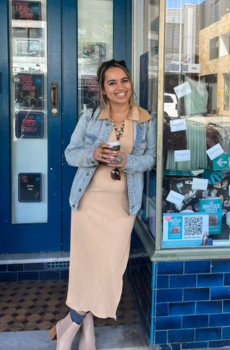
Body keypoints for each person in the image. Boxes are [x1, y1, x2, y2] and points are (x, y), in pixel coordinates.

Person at [49, 59, 156, 350]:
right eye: (112, 82)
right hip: (88, 202)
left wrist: (129, 161)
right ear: (103, 89)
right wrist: (93, 153)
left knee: (108, 269)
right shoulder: (91, 117)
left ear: (130, 83)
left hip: (122, 207)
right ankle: (88, 335)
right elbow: (71, 154)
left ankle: (68, 325)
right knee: (87, 268)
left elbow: (150, 159)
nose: (120, 87)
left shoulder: (146, 120)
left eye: (124, 80)